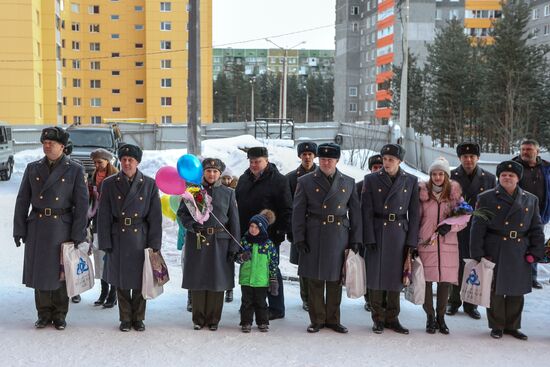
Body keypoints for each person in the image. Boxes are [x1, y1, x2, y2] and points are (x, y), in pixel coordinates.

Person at [13, 127, 88, 330]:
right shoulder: (32, 168)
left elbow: (82, 205)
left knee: (60, 273)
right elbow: (22, 200)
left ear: (62, 147)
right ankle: (43, 313)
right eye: (44, 142)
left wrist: (78, 233)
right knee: (40, 272)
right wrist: (19, 228)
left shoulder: (75, 169)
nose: (47, 146)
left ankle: (60, 314)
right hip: (37, 225)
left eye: (51, 143)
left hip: (61, 226)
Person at [470, 160, 545, 340]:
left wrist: (536, 251)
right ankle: (497, 326)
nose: (507, 178)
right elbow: (477, 227)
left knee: (516, 289)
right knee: (495, 289)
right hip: (494, 247)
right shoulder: (486, 198)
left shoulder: (531, 199)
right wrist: (477, 253)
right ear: (499, 177)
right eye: (503, 175)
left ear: (518, 178)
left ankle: (512, 326)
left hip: (520, 249)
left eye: (511, 175)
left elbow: (536, 227)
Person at [293, 143, 362, 333]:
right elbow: (298, 212)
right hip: (313, 233)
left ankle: (333, 319)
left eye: (329, 159)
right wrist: (299, 237)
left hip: (339, 235)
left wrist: (356, 238)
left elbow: (355, 213)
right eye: (322, 159)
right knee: (315, 280)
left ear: (337, 160)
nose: (325, 162)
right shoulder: (305, 181)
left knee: (334, 281)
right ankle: (317, 320)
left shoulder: (348, 182)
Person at [97, 144, 162, 332]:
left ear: (137, 162)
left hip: (140, 237)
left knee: (142, 280)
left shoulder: (149, 184)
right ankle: (125, 318)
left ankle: (138, 318)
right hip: (118, 236)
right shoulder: (109, 183)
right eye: (123, 159)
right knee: (121, 280)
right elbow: (103, 215)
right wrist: (105, 242)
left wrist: (154, 244)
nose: (126, 163)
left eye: (130, 160)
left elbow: (155, 217)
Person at [362, 144, 420, 335]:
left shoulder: (410, 181)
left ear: (399, 162)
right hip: (378, 231)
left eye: (391, 160)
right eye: (384, 159)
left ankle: (393, 317)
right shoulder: (370, 179)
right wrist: (368, 237)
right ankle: (378, 317)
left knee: (396, 277)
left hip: (399, 233)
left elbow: (415, 213)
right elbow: (366, 211)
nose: (386, 163)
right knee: (376, 276)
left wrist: (411, 242)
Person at [178, 158, 240, 331]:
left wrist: (234, 247)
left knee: (217, 280)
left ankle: (214, 319)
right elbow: (182, 215)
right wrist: (192, 225)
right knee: (198, 279)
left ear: (220, 174)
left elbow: (234, 222)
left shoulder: (228, 193)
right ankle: (198, 319)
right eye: (208, 171)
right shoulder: (193, 191)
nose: (211, 174)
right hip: (197, 239)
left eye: (215, 171)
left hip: (220, 242)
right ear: (203, 172)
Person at [235, 147, 292, 320]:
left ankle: (276, 307)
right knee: (250, 268)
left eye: (257, 161)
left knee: (270, 269)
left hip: (269, 235)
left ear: (266, 160)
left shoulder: (279, 181)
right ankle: (252, 304)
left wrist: (281, 231)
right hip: (248, 235)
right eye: (251, 161)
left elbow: (287, 209)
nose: (254, 165)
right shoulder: (244, 179)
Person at [417, 158, 467, 335]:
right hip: (426, 243)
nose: (437, 177)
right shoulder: (422, 195)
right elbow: (416, 219)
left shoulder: (454, 196)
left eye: (441, 174)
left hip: (448, 245)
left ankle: (441, 317)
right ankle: (430, 317)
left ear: (446, 176)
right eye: (434, 174)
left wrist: (451, 226)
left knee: (445, 283)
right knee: (427, 282)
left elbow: (465, 218)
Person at [447, 142, 496, 319]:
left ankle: (471, 303)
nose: (468, 159)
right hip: (456, 229)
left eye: (472, 156)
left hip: (480, 229)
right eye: (465, 157)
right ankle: (453, 301)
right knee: (456, 265)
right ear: (459, 158)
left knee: (474, 264)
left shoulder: (489, 178)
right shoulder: (451, 176)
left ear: (478, 158)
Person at [512, 139, 550, 289]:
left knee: (535, 245)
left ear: (537, 152)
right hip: (517, 215)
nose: (525, 152)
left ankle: (532, 277)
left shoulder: (547, 168)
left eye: (529, 149)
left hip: (540, 215)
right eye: (522, 149)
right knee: (516, 246)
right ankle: (515, 275)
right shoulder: (513, 166)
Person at [286, 141, 317, 312]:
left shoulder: (322, 173)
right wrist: (292, 230)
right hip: (300, 226)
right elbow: (288, 205)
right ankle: (306, 297)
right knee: (304, 264)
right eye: (304, 154)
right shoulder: (291, 178)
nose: (307, 157)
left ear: (314, 156)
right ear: (299, 156)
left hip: (319, 226)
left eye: (310, 154)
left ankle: (318, 296)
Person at [237, 210, 278, 333]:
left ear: (263, 229)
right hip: (246, 279)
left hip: (261, 280)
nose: (253, 229)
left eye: (256, 227)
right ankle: (246, 322)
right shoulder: (244, 241)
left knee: (261, 303)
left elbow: (273, 262)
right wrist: (242, 257)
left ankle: (263, 322)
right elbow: (236, 258)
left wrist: (273, 279)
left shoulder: (268, 245)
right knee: (246, 302)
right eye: (251, 226)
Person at [87, 148, 119, 308]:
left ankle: (113, 293)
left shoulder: (115, 178)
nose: (97, 165)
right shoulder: (93, 177)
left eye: (100, 161)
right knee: (100, 258)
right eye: (95, 162)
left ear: (108, 161)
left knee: (111, 259)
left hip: (112, 224)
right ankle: (103, 291)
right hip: (97, 223)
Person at [355, 154, 383, 312]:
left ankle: (382, 298)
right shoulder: (360, 186)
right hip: (365, 233)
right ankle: (369, 298)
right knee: (367, 267)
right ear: (370, 169)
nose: (378, 170)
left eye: (380, 167)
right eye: (375, 167)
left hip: (382, 231)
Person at [220, 166, 238, 303]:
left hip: (229, 231)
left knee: (228, 264)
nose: (226, 181)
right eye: (224, 178)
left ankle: (229, 289)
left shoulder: (232, 193)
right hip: (218, 233)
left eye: (228, 178)